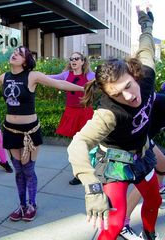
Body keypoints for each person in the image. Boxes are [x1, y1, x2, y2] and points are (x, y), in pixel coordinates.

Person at [67, 6, 162, 240]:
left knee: (154, 199)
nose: (128, 97)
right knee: (115, 222)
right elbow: (78, 143)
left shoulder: (146, 74)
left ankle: (149, 234)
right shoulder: (108, 113)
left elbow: (146, 45)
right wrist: (91, 187)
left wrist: (145, 22)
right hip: (115, 162)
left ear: (134, 74)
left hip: (142, 153)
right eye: (118, 94)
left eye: (128, 86)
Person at [0, 46, 84, 222]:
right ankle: (21, 205)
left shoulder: (32, 76)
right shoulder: (4, 76)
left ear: (26, 61)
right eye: (14, 51)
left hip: (30, 131)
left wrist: (85, 89)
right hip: (11, 130)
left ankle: (32, 204)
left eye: (20, 54)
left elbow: (59, 84)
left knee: (28, 169)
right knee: (18, 170)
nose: (14, 54)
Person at [120, 92, 165, 240]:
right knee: (145, 178)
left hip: (143, 138)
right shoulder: (159, 100)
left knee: (162, 165)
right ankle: (122, 222)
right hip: (132, 141)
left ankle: (153, 199)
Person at [48, 52, 95, 186]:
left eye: (76, 58)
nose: (73, 61)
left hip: (85, 112)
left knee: (86, 144)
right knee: (75, 145)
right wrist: (35, 76)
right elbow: (51, 78)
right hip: (71, 112)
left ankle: (86, 171)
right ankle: (80, 173)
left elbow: (103, 81)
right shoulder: (66, 75)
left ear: (82, 61)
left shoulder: (89, 75)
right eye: (71, 59)